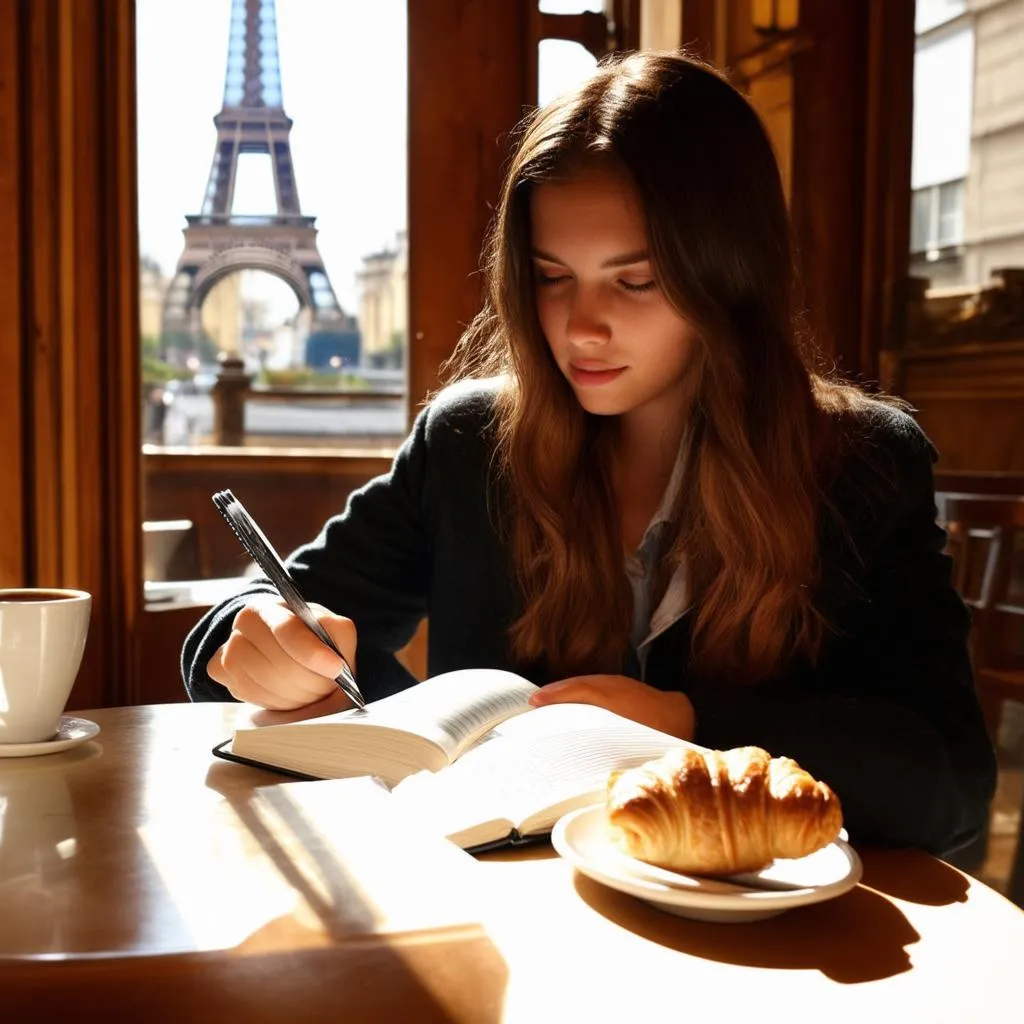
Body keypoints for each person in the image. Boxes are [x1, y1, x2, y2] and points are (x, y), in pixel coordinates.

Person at [182, 50, 996, 856]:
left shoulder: (861, 463)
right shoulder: (468, 442)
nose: (580, 327)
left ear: (730, 274)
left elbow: (952, 789)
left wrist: (689, 722)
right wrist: (261, 643)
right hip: (499, 928)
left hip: (763, 945)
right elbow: (253, 617)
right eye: (551, 276)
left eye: (634, 281)